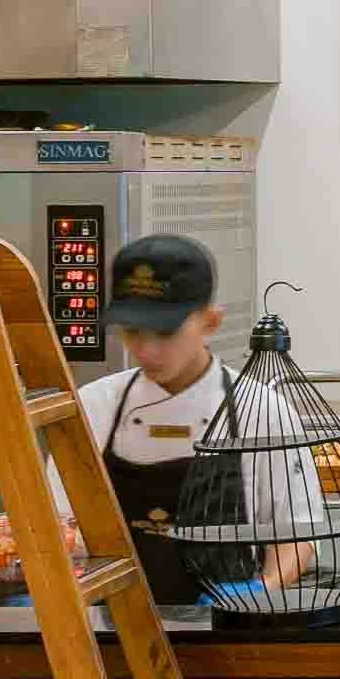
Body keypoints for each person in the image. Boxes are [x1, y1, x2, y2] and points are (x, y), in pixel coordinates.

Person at [87, 233, 253, 545]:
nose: (147, 351)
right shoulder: (92, 406)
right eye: (132, 331)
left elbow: (295, 539)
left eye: (166, 332)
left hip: (230, 581)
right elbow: (62, 527)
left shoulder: (259, 410)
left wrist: (265, 578)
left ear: (211, 321)